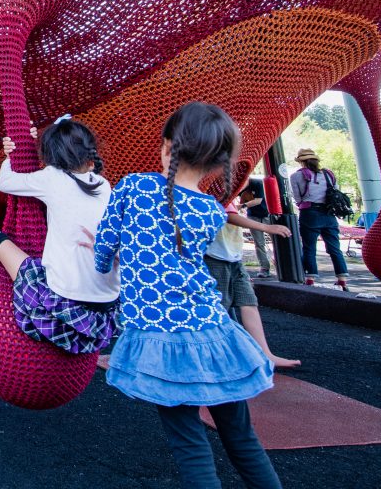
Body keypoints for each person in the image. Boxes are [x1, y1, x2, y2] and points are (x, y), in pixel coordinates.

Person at [94, 102, 280, 489]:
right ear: (218, 161)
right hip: (214, 330)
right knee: (242, 437)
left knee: (190, 443)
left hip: (163, 337)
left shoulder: (133, 186)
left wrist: (101, 254)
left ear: (167, 147)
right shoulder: (211, 209)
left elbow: (102, 255)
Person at [0, 115, 119, 355]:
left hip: (61, 304)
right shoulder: (103, 184)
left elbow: (5, 183)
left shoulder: (52, 178)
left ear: (51, 158)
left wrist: (10, 157)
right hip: (106, 310)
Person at [210, 201, 301, 368]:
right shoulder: (214, 186)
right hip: (215, 256)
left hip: (233, 256)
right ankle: (217, 355)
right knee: (220, 307)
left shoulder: (230, 190)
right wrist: (267, 228)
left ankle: (265, 354)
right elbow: (228, 216)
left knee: (248, 302)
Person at [289, 148, 349, 290]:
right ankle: (342, 280)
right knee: (335, 248)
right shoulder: (328, 174)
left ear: (301, 162)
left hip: (310, 213)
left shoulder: (296, 176)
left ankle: (310, 279)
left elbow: (297, 197)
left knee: (309, 247)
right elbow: (335, 191)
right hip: (329, 213)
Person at [237, 178, 273, 279]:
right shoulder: (238, 186)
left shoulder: (257, 183)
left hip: (267, 214)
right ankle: (264, 268)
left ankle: (281, 264)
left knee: (276, 241)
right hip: (253, 216)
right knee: (259, 243)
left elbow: (258, 201)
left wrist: (240, 206)